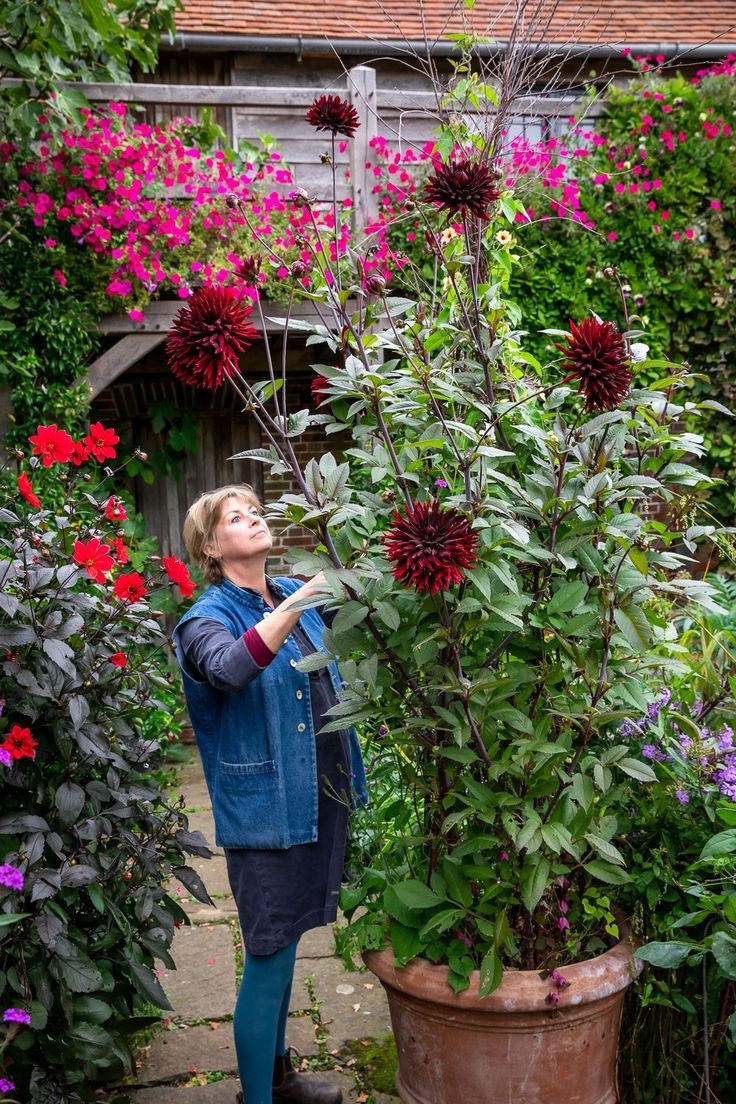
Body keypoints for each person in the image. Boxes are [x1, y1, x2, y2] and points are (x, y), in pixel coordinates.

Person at [172, 483, 367, 1104]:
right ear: (211, 544)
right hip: (266, 812)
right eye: (237, 516)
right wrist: (299, 600)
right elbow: (229, 669)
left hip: (317, 800)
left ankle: (280, 1080)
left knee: (288, 945)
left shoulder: (290, 595)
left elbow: (366, 621)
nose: (254, 519)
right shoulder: (204, 618)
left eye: (257, 511)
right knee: (267, 953)